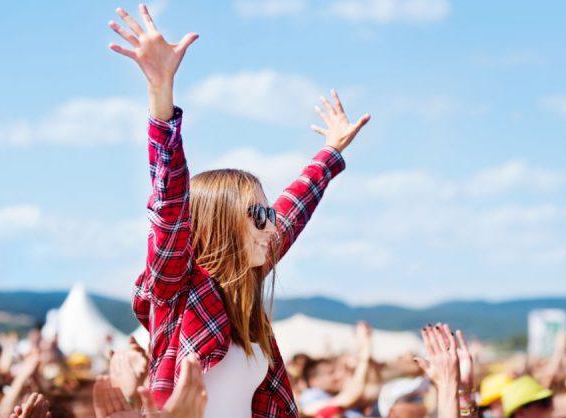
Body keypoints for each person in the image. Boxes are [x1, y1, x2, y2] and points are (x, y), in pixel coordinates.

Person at [107, 4, 370, 417]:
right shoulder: (177, 287)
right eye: (259, 216)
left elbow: (294, 209)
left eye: (268, 213)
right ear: (221, 224)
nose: (273, 225)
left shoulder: (243, 292)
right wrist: (161, 96)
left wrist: (331, 152)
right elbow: (170, 206)